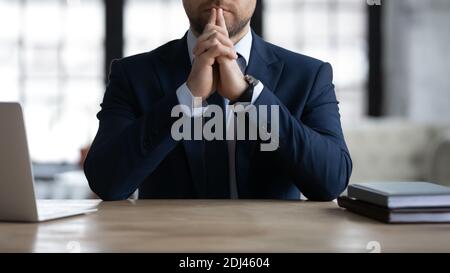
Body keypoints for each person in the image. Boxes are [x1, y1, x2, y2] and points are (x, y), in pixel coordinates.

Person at [84, 0, 352, 201]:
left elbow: (331, 182)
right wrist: (187, 97)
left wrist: (250, 97)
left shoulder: (309, 75)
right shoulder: (133, 75)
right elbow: (107, 182)